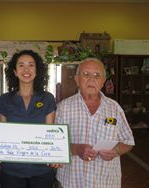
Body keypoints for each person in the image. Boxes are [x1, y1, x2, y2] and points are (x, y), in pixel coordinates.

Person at [55, 58, 135, 188]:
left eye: (97, 75)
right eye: (86, 74)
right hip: (72, 181)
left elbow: (128, 141)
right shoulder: (63, 108)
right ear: (77, 79)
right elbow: (54, 144)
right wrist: (76, 149)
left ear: (103, 81)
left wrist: (116, 150)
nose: (92, 79)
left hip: (106, 182)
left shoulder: (114, 108)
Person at [0, 50, 57, 188]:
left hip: (42, 169)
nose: (26, 69)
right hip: (11, 170)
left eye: (31, 65)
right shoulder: (5, 100)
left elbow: (50, 133)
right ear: (15, 71)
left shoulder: (47, 98)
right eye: (21, 65)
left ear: (37, 70)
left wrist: (55, 156)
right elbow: (1, 134)